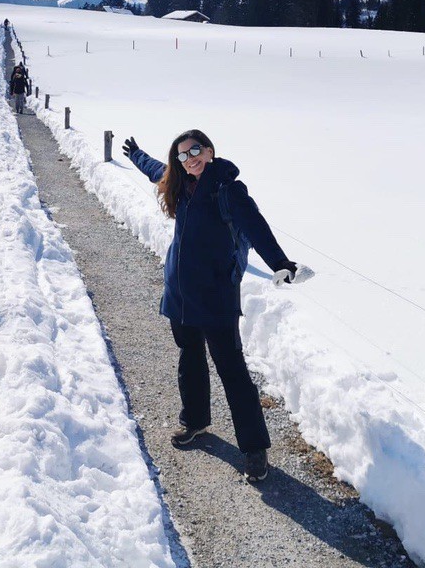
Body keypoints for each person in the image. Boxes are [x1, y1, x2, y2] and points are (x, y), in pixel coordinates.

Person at [122, 129, 301, 484]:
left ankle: (253, 449)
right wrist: (135, 155)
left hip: (216, 297)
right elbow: (155, 168)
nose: (192, 159)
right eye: (184, 155)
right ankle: (195, 421)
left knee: (232, 371)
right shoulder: (176, 182)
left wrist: (281, 262)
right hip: (180, 294)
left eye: (196, 150)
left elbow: (257, 226)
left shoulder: (227, 189)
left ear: (210, 150)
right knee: (189, 357)